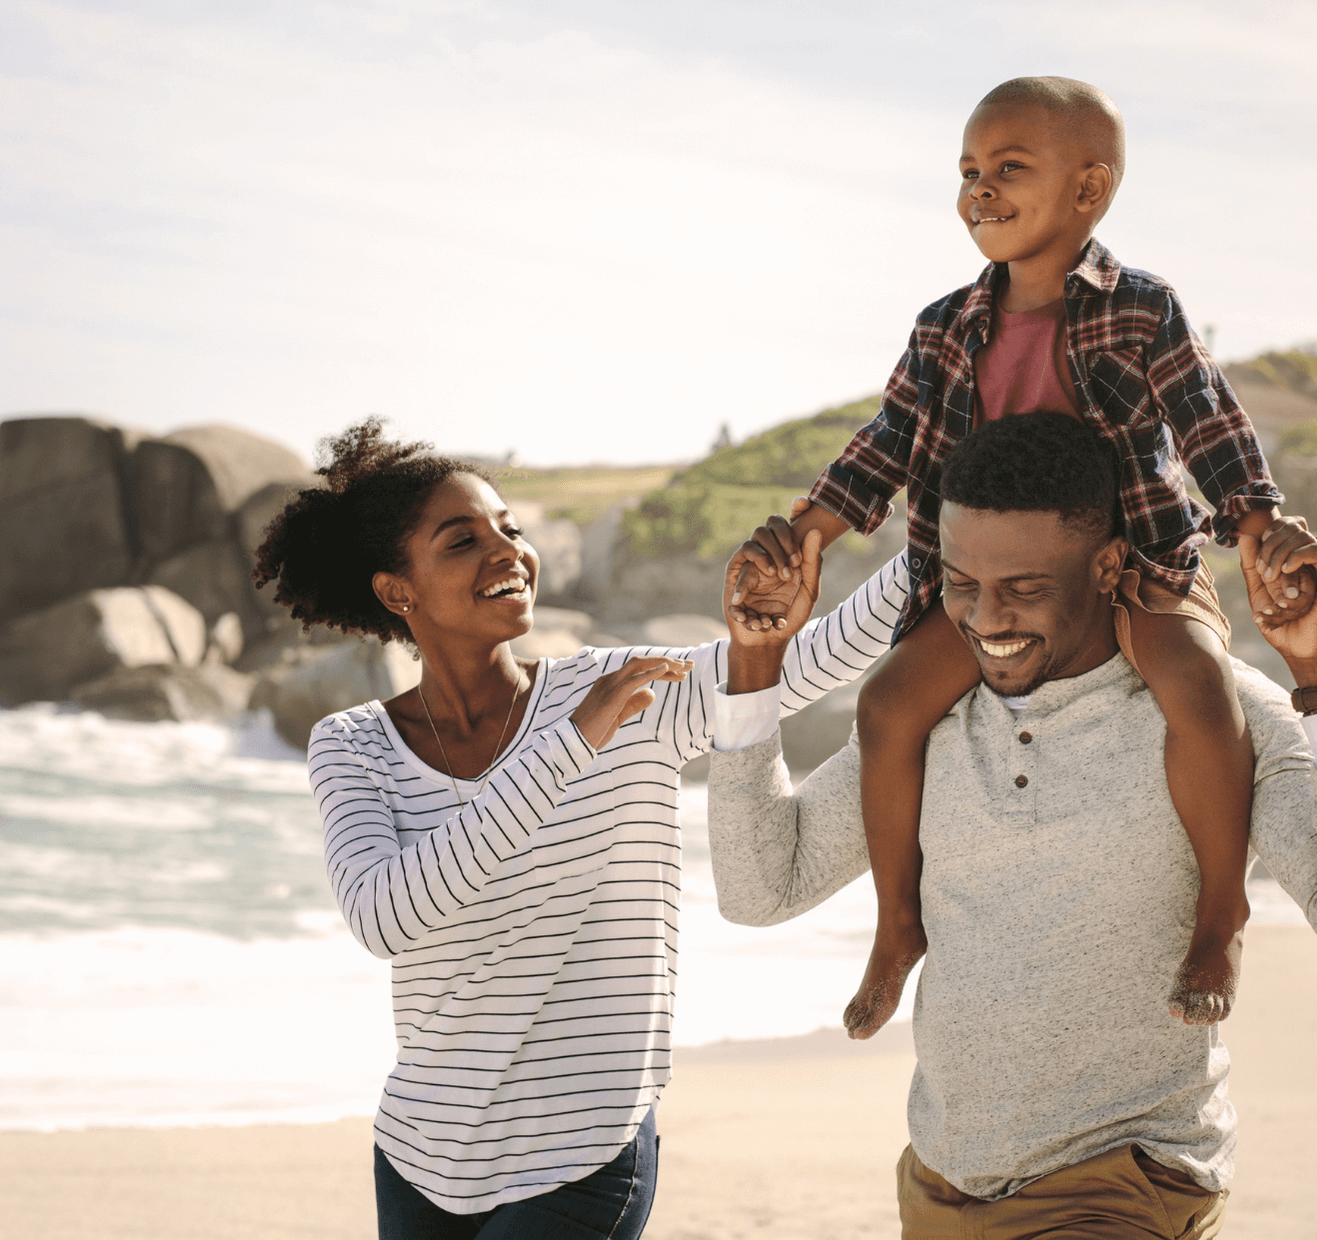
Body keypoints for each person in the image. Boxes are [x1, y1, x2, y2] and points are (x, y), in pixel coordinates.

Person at [706, 412, 1317, 1238]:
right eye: (960, 584)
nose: (985, 619)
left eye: (1023, 589)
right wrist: (755, 667)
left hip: (1123, 1183)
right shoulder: (929, 722)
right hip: (943, 1181)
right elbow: (759, 891)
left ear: (1105, 566)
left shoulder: (1220, 720)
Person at [727, 74, 1311, 1041]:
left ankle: (1220, 916)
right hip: (994, 585)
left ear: (1090, 190)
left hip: (1136, 567)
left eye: (1009, 169)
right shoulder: (944, 324)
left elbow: (1209, 424)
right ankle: (896, 925)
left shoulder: (1140, 311)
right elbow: (886, 439)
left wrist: (1257, 521)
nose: (980, 190)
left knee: (1199, 690)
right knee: (885, 704)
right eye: (967, 171)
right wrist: (817, 529)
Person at [255, 419, 908, 1239]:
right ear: (398, 590)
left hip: (582, 1149)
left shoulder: (626, 689)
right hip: (424, 1154)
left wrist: (967, 531)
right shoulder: (353, 745)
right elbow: (388, 918)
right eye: (463, 542)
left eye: (511, 530)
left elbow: (810, 658)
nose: (508, 553)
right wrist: (569, 746)